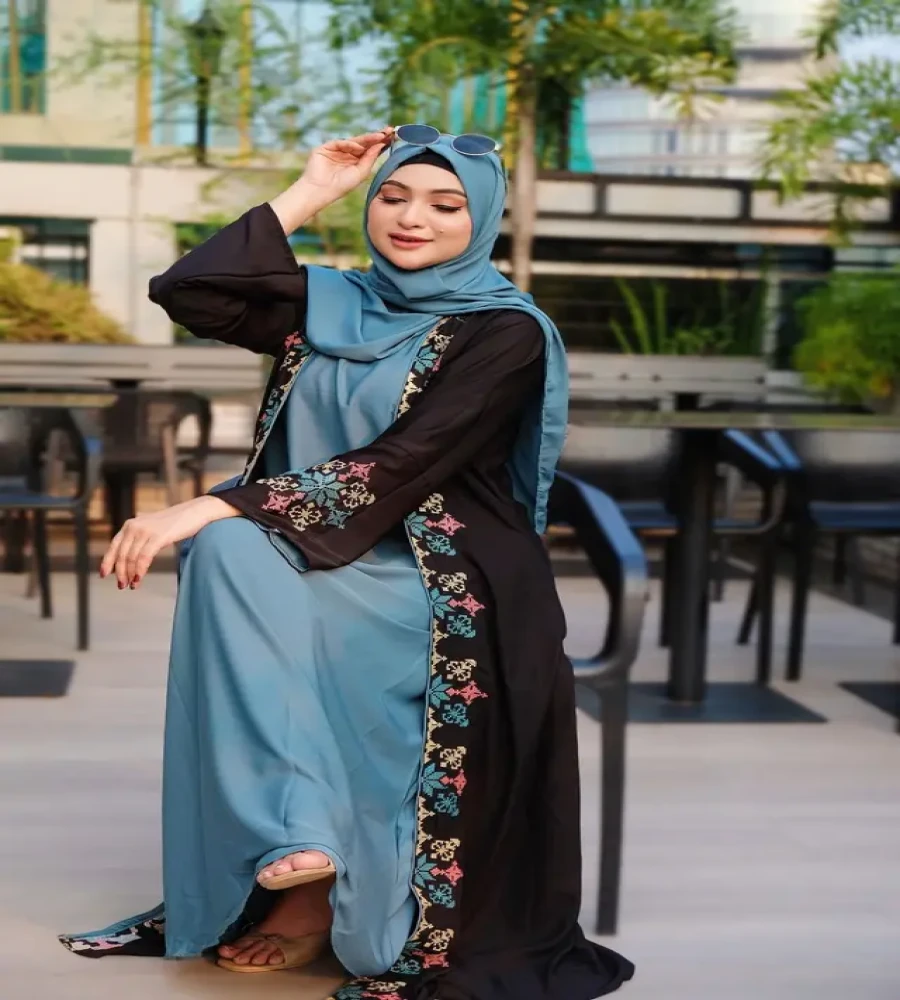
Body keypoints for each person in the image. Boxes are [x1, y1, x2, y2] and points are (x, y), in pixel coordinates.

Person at [59, 125, 634, 999]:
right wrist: (311, 189)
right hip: (312, 543)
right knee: (228, 549)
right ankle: (300, 841)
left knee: (228, 531)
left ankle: (320, 891)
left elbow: (409, 459)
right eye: (392, 197)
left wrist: (216, 499)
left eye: (446, 205)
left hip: (440, 570)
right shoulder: (330, 300)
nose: (411, 219)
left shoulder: (505, 330)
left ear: (482, 218)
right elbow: (188, 290)